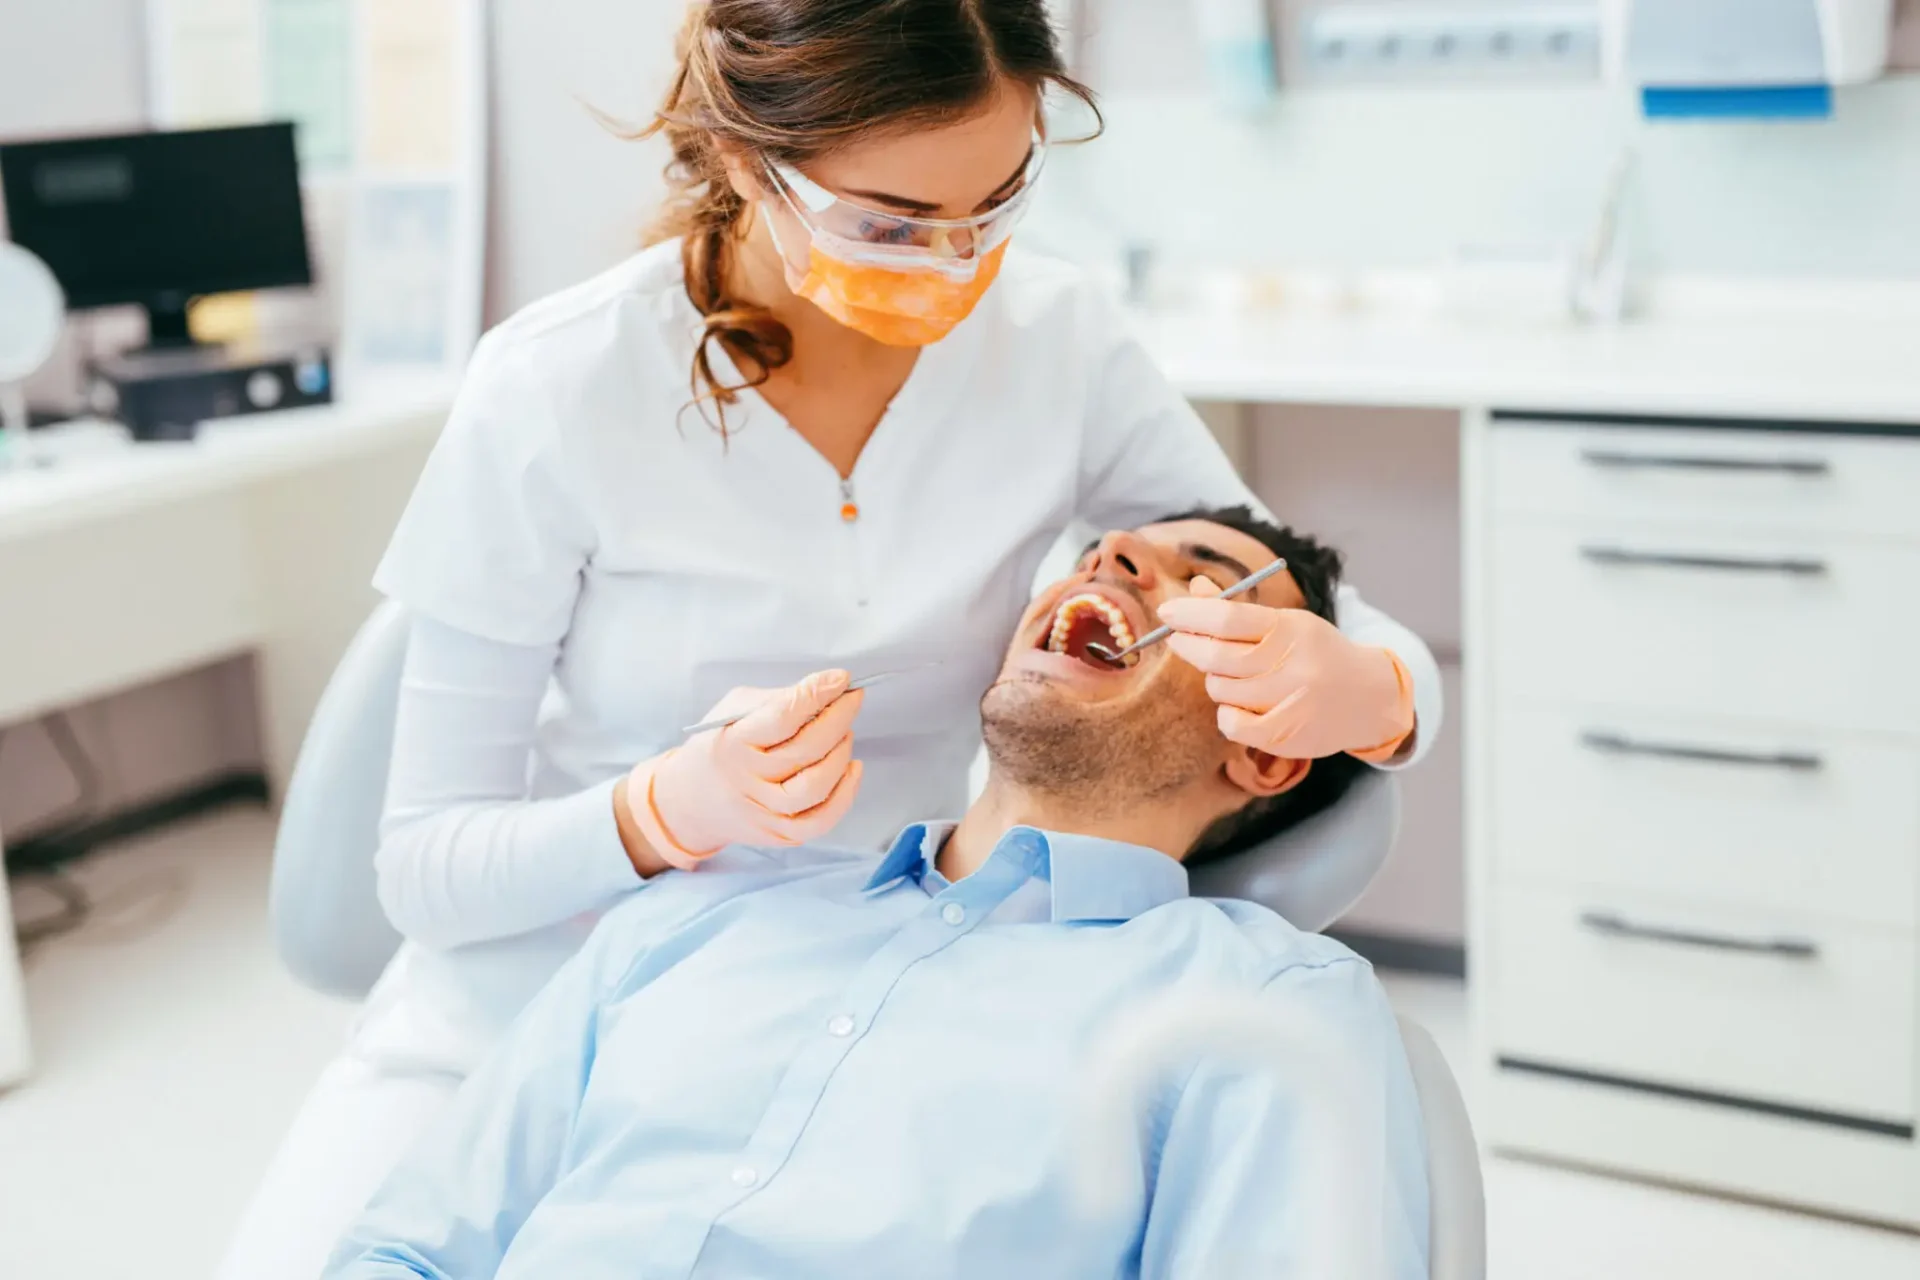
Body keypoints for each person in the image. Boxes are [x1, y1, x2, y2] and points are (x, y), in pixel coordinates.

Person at [220, 3, 1442, 1275]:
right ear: (746, 163)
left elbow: (1272, 585)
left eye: (997, 205)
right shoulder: (556, 384)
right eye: (892, 224)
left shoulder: (1056, 342)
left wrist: (1376, 691)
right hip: (540, 1000)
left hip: (870, 961)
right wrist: (660, 813)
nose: (957, 266)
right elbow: (423, 868)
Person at [324, 509, 1427, 1280]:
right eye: (1100, 549)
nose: (1115, 551)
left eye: (1203, 575)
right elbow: (405, 1251)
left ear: (1269, 745)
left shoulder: (1266, 1012)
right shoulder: (694, 910)